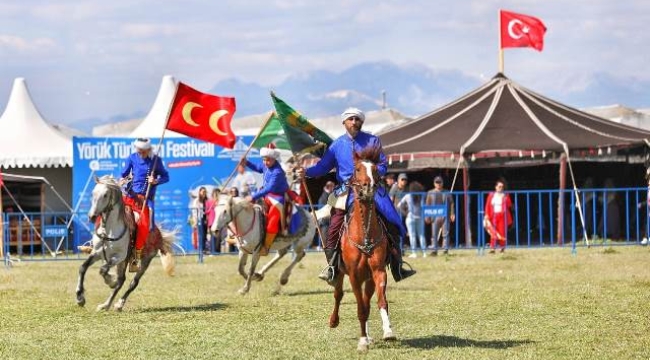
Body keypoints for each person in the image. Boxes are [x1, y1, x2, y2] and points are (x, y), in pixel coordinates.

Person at [297, 107, 416, 284]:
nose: (354, 122)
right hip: (346, 192)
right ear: (344, 122)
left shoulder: (373, 141)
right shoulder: (336, 145)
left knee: (392, 219)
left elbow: (383, 164)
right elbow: (323, 167)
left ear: (361, 122)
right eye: (351, 119)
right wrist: (305, 172)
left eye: (357, 119)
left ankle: (398, 265)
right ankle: (332, 267)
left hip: (372, 189)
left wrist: (374, 172)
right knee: (334, 226)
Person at [120, 137, 170, 271]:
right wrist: (125, 178)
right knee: (108, 209)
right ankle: (95, 243)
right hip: (129, 196)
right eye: (138, 149)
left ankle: (135, 257)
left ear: (148, 150)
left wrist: (155, 181)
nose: (140, 152)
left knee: (143, 225)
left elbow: (166, 177)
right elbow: (123, 174)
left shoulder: (156, 161)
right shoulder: (131, 158)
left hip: (145, 199)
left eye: (143, 150)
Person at [241, 144, 289, 256]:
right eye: (263, 160)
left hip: (277, 198)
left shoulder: (277, 172)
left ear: (273, 159)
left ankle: (266, 247)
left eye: (267, 160)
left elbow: (269, 188)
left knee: (272, 221)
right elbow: (258, 168)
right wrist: (246, 162)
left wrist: (253, 197)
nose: (265, 163)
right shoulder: (265, 165)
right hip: (265, 195)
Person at [425, 176, 455, 256]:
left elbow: (452, 203)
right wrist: (427, 216)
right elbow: (427, 204)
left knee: (446, 233)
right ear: (434, 183)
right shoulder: (430, 193)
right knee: (434, 234)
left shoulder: (447, 192)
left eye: (440, 182)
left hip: (445, 215)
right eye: (437, 182)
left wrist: (452, 213)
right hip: (434, 215)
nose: (438, 184)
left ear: (442, 183)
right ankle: (434, 250)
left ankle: (445, 249)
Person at [397, 181, 427, 258]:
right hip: (420, 217)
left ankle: (414, 253)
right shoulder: (421, 196)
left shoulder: (408, 196)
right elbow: (424, 206)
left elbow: (399, 205)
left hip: (410, 217)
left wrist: (405, 212)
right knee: (421, 235)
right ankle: (424, 253)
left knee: (412, 236)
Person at [484, 178, 513, 253]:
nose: (501, 188)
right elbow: (487, 205)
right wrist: (486, 214)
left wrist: (506, 197)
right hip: (493, 215)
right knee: (493, 231)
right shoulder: (491, 195)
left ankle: (502, 247)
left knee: (502, 231)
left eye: (502, 187)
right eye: (499, 187)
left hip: (502, 215)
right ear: (496, 187)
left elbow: (509, 205)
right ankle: (492, 248)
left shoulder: (505, 195)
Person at [192, 187, 209, 254]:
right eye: (202, 191)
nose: (203, 193)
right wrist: (195, 220)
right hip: (199, 219)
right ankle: (201, 249)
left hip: (206, 219)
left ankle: (205, 249)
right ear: (199, 192)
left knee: (205, 235)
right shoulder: (197, 201)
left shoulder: (207, 200)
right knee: (201, 235)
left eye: (205, 191)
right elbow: (194, 211)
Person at [205, 188, 221, 253]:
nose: (216, 195)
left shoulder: (220, 202)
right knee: (213, 236)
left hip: (218, 221)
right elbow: (206, 211)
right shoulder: (209, 202)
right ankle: (212, 250)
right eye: (215, 193)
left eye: (217, 193)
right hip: (211, 221)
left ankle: (217, 250)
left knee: (218, 237)